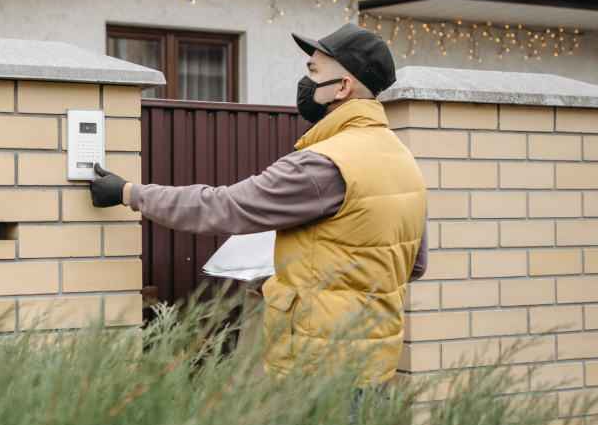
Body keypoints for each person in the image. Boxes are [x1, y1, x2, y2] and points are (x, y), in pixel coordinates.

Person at [90, 23, 428, 388]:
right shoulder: (404, 160)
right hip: (374, 362)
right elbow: (414, 264)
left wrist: (128, 193)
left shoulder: (322, 164)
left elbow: (223, 207)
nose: (305, 81)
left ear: (343, 87)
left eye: (313, 71)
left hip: (316, 368)